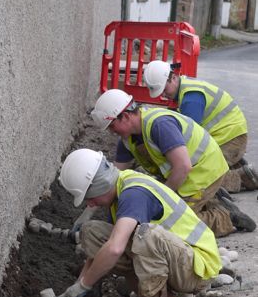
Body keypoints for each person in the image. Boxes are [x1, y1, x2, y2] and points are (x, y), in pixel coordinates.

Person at [56, 148, 222, 297]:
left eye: (90, 198)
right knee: (92, 232)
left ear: (100, 185)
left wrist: (83, 285)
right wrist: (79, 285)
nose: (91, 205)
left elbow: (115, 249)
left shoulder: (133, 195)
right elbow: (105, 247)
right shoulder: (120, 186)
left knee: (144, 234)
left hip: (196, 267)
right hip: (177, 260)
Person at [90, 89, 256, 236]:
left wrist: (164, 197)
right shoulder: (127, 140)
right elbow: (111, 180)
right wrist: (89, 210)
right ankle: (210, 200)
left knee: (173, 226)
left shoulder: (160, 125)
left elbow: (183, 166)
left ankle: (225, 217)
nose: (112, 133)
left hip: (203, 172)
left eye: (112, 127)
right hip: (185, 173)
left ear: (125, 116)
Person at [143, 60, 258, 192]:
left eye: (164, 89)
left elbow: (189, 140)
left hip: (230, 137)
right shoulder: (185, 88)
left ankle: (240, 177)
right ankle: (237, 166)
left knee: (202, 176)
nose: (163, 94)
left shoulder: (190, 98)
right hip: (228, 135)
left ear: (173, 77)